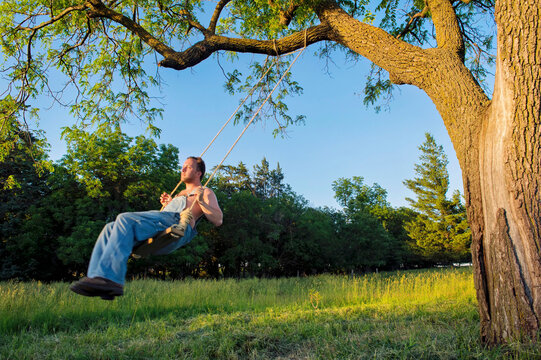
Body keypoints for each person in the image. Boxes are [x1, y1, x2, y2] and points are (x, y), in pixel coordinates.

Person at [69, 156, 222, 300]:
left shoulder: (205, 191)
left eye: (187, 167)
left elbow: (218, 220)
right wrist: (168, 204)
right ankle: (97, 278)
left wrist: (202, 201)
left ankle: (111, 279)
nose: (182, 170)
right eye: (183, 167)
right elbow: (163, 216)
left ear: (198, 172)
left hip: (177, 223)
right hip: (163, 220)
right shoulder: (180, 193)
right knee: (110, 228)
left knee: (124, 218)